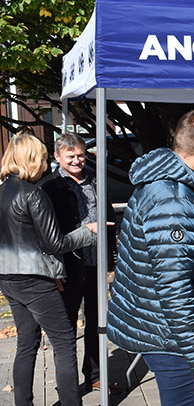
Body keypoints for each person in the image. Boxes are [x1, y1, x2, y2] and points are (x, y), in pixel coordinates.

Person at [107, 109, 194, 405]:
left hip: (166, 334)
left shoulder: (171, 189)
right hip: (174, 343)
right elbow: (176, 292)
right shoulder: (173, 200)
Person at [0, 133, 99, 406]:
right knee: (65, 343)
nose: (45, 162)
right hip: (34, 280)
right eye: (42, 156)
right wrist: (88, 231)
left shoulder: (3, 190)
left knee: (26, 343)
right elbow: (55, 243)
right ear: (33, 159)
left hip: (8, 278)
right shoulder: (34, 194)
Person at [39, 133, 118, 393]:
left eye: (81, 154)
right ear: (57, 157)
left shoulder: (96, 180)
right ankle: (69, 384)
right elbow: (44, 234)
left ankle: (94, 375)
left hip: (95, 264)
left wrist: (110, 259)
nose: (77, 160)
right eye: (70, 155)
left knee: (98, 322)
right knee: (67, 327)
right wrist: (52, 269)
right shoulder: (49, 187)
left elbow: (109, 219)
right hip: (67, 268)